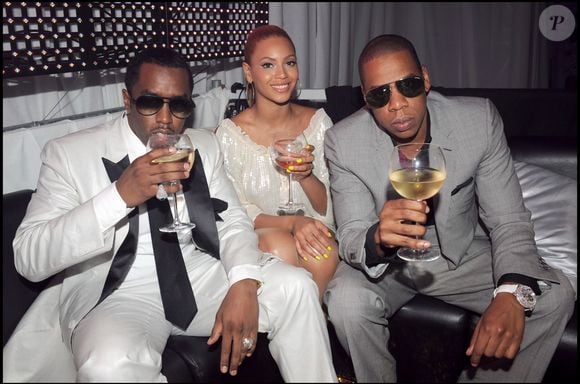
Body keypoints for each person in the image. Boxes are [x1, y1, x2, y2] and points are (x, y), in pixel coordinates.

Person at [4, 47, 337, 382]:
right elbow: (29, 259)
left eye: (178, 105)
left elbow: (234, 220)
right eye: (150, 102)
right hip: (117, 293)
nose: (165, 118)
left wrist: (243, 282)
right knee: (109, 364)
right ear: (126, 99)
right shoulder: (69, 154)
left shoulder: (202, 145)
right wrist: (119, 196)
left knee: (297, 287)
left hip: (199, 275)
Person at [323, 34, 574, 382]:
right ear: (366, 100)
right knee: (346, 303)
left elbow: (508, 220)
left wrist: (510, 292)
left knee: (554, 296)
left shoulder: (477, 120)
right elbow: (351, 233)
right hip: (389, 265)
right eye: (380, 95)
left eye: (408, 85)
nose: (397, 104)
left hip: (461, 254)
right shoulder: (343, 141)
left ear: (425, 79)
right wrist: (378, 237)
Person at [215, 25, 338, 300]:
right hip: (257, 233)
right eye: (268, 65)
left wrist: (306, 176)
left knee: (322, 253)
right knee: (282, 247)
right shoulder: (230, 135)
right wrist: (292, 223)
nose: (282, 75)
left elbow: (327, 206)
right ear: (249, 73)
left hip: (314, 227)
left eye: (289, 63)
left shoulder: (319, 123)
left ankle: (309, 329)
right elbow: (235, 210)